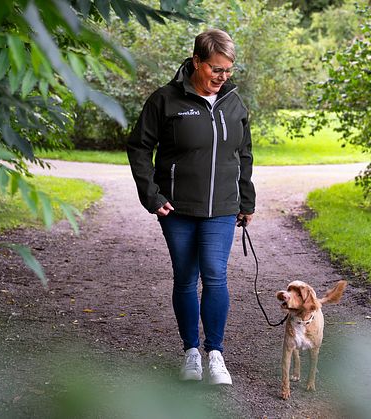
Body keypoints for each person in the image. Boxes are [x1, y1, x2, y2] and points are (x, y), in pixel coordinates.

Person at [126, 29, 255, 385]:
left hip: (222, 209)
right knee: (185, 278)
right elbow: (139, 147)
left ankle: (215, 354)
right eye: (216, 69)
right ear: (196, 61)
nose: (222, 77)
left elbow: (243, 154)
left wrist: (247, 199)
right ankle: (191, 353)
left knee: (215, 273)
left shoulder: (234, 102)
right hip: (177, 209)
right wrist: (151, 194)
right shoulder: (165, 100)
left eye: (228, 70)